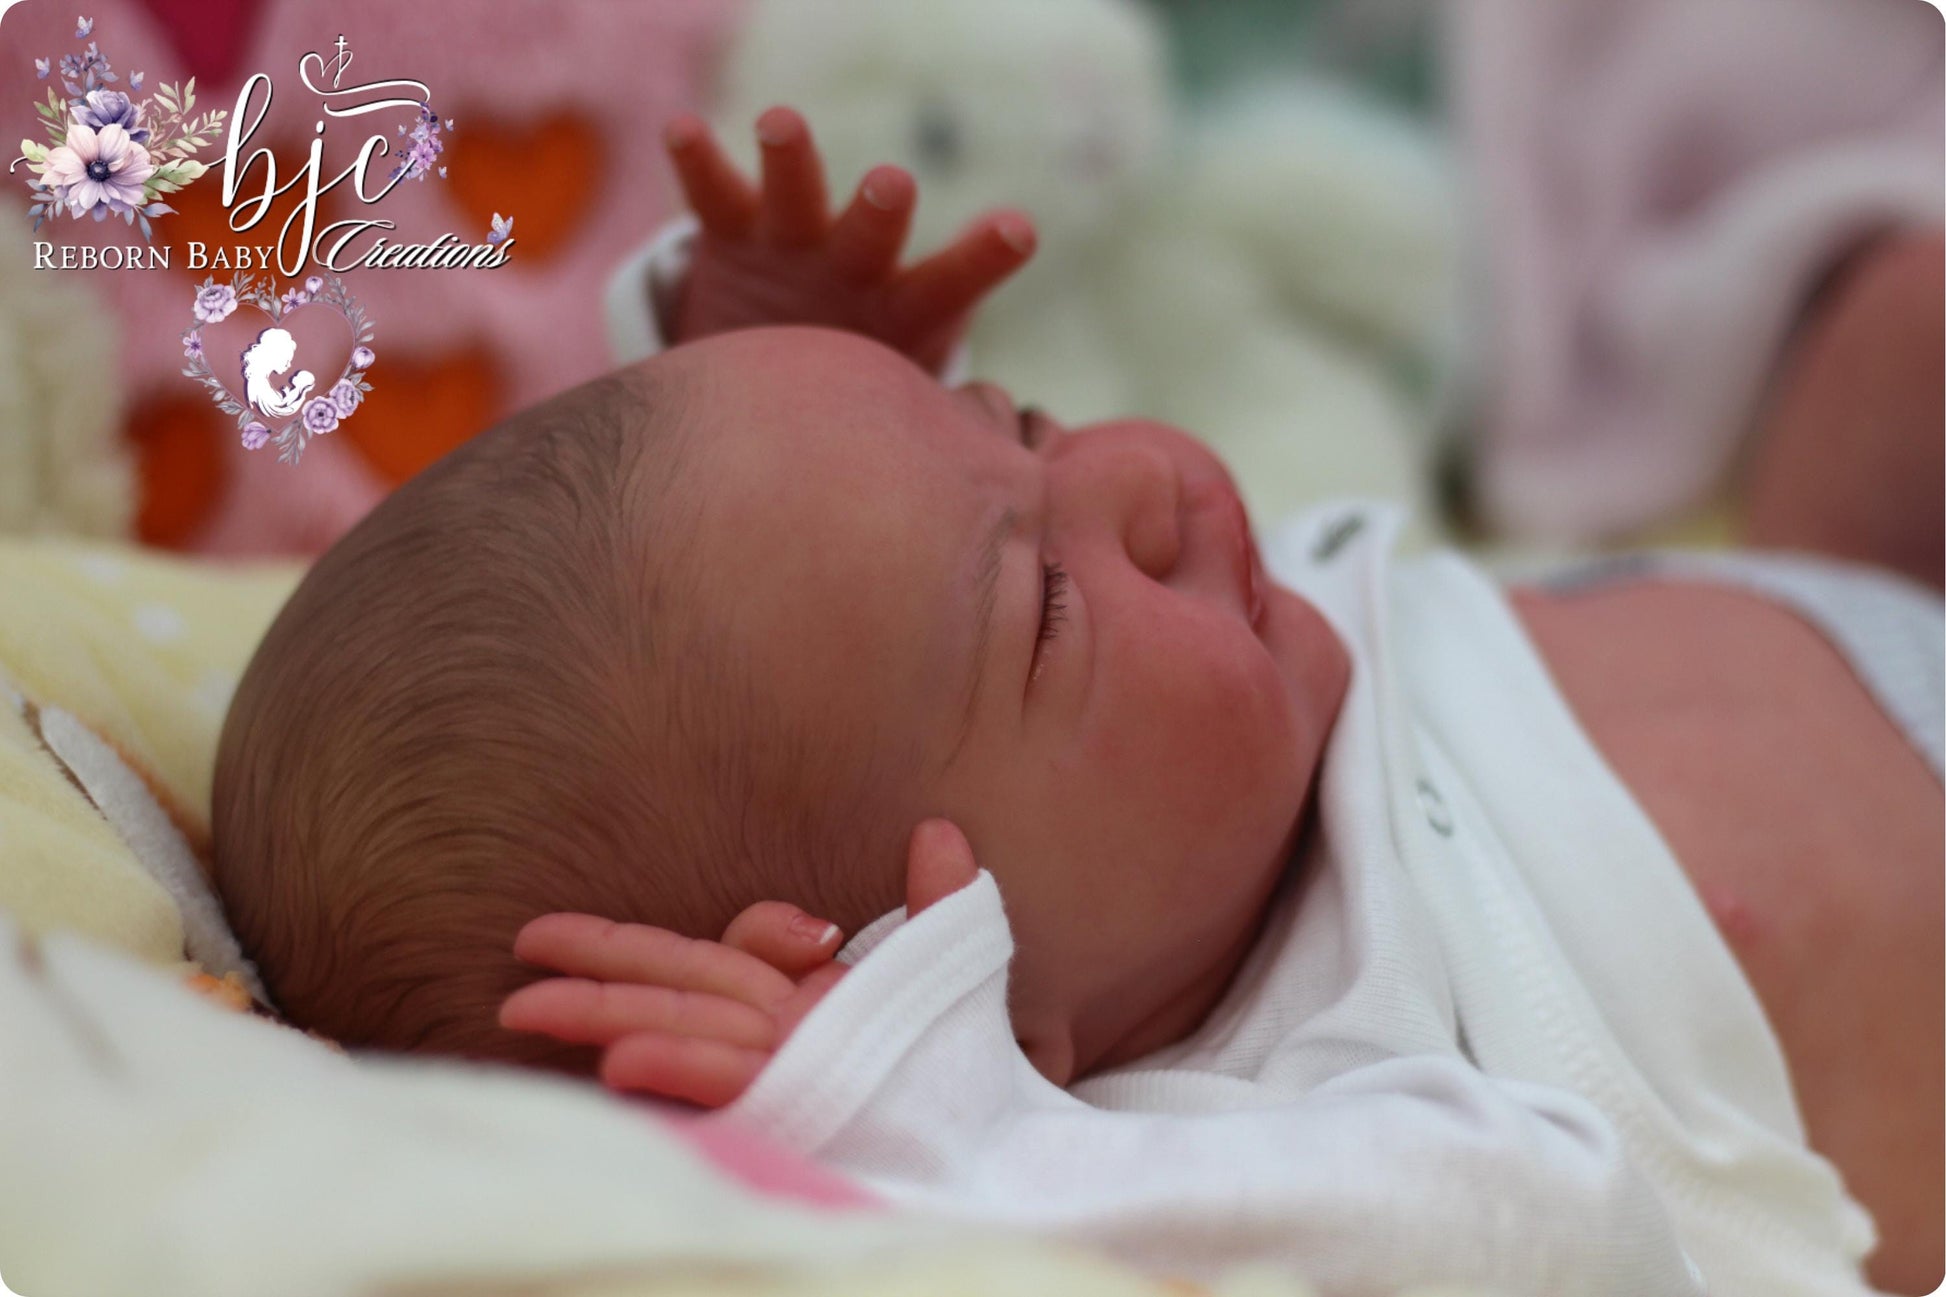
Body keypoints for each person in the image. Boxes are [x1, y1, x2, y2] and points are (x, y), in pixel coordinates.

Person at [212, 108, 1942, 1295]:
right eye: (1047, 609)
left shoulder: (1197, 759)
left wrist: (766, 358)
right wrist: (932, 1120)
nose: (1142, 472)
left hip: (1836, 592)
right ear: (936, 990)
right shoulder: (1214, 1128)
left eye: (1019, 425)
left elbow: (792, 608)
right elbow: (1541, 1228)